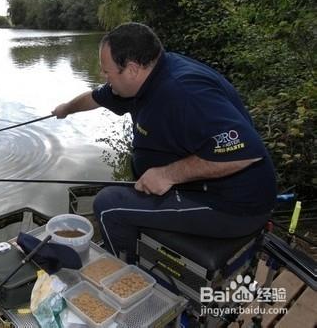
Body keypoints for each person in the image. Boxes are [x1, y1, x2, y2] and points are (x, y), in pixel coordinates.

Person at [52, 22, 277, 264]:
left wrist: (168, 174)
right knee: (129, 191)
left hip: (233, 206)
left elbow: (246, 152)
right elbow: (96, 98)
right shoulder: (143, 79)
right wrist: (66, 109)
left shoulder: (184, 92)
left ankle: (127, 277)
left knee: (108, 206)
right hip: (201, 189)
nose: (103, 77)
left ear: (132, 69)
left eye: (107, 72)